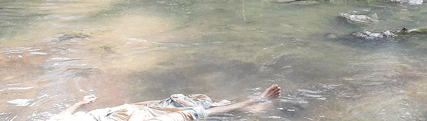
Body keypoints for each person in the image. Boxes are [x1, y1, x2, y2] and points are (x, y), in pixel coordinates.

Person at [49, 84, 281, 121]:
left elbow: (64, 113)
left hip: (111, 113)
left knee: (176, 102)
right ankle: (253, 101)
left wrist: (81, 102)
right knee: (189, 113)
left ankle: (245, 106)